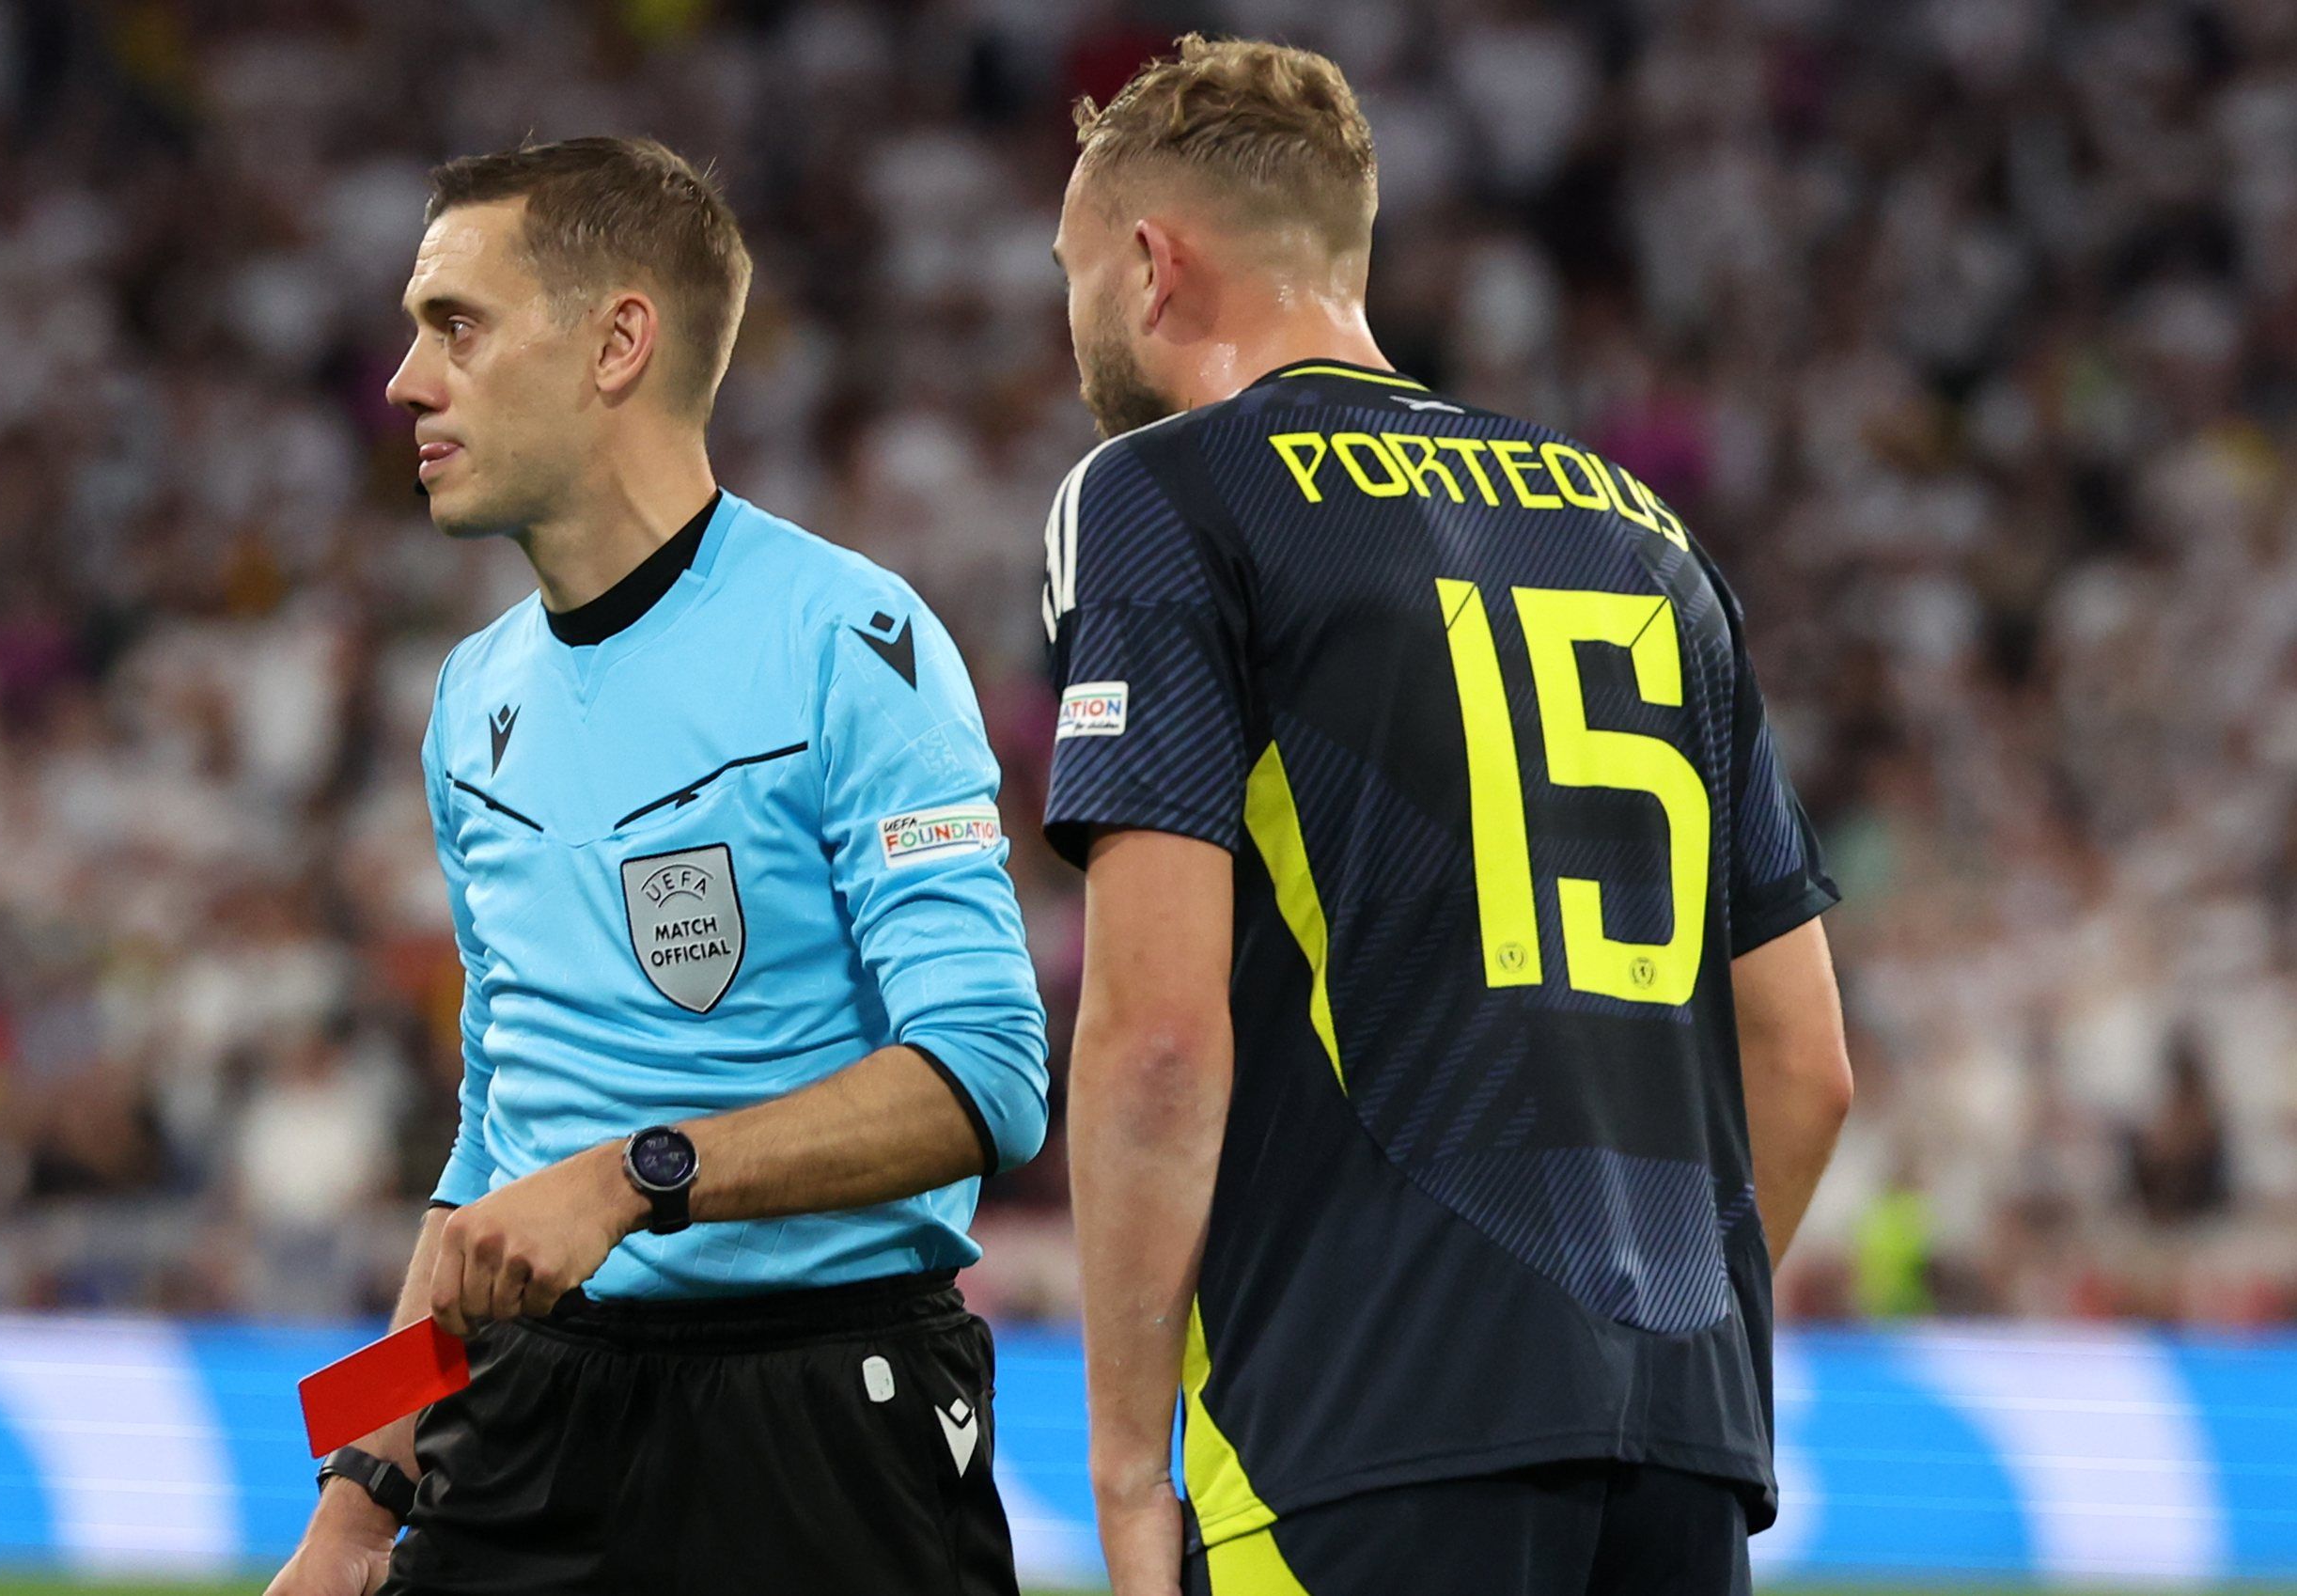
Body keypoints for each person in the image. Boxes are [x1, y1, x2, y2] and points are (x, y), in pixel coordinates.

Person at [1041, 38, 1855, 1596]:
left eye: (1072, 272)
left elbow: (1153, 1033)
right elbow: (1806, 1062)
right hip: (1678, 1448)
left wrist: (1130, 1469)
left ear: (1149, 264)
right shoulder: (1641, 529)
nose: (1072, 319)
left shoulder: (1163, 491)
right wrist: (1664, 1317)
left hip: (1354, 1433)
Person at [262, 136, 1050, 1596]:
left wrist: (639, 1176)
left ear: (618, 340)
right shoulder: (468, 700)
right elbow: (492, 1142)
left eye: (456, 325)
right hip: (529, 1410)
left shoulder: (851, 640)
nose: (404, 383)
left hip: (823, 1413)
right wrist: (359, 1499)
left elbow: (989, 1074)